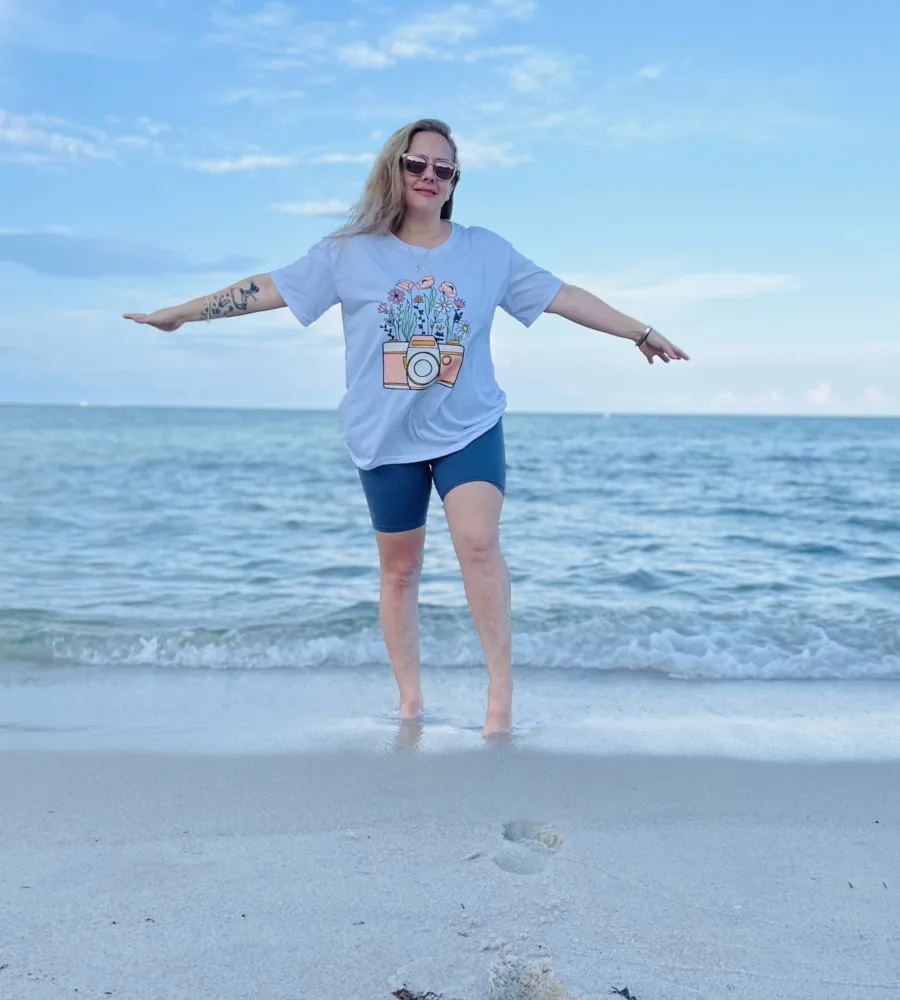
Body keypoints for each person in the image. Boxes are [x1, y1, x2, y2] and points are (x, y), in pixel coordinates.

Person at [124, 118, 689, 739]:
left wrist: (638, 328)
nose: (428, 176)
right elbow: (266, 289)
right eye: (417, 164)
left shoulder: (485, 251)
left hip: (467, 422)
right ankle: (411, 701)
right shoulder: (348, 252)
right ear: (394, 169)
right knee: (400, 570)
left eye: (442, 169)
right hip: (383, 434)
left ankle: (499, 700)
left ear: (454, 183)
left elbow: (563, 296)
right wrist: (181, 313)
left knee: (477, 543)